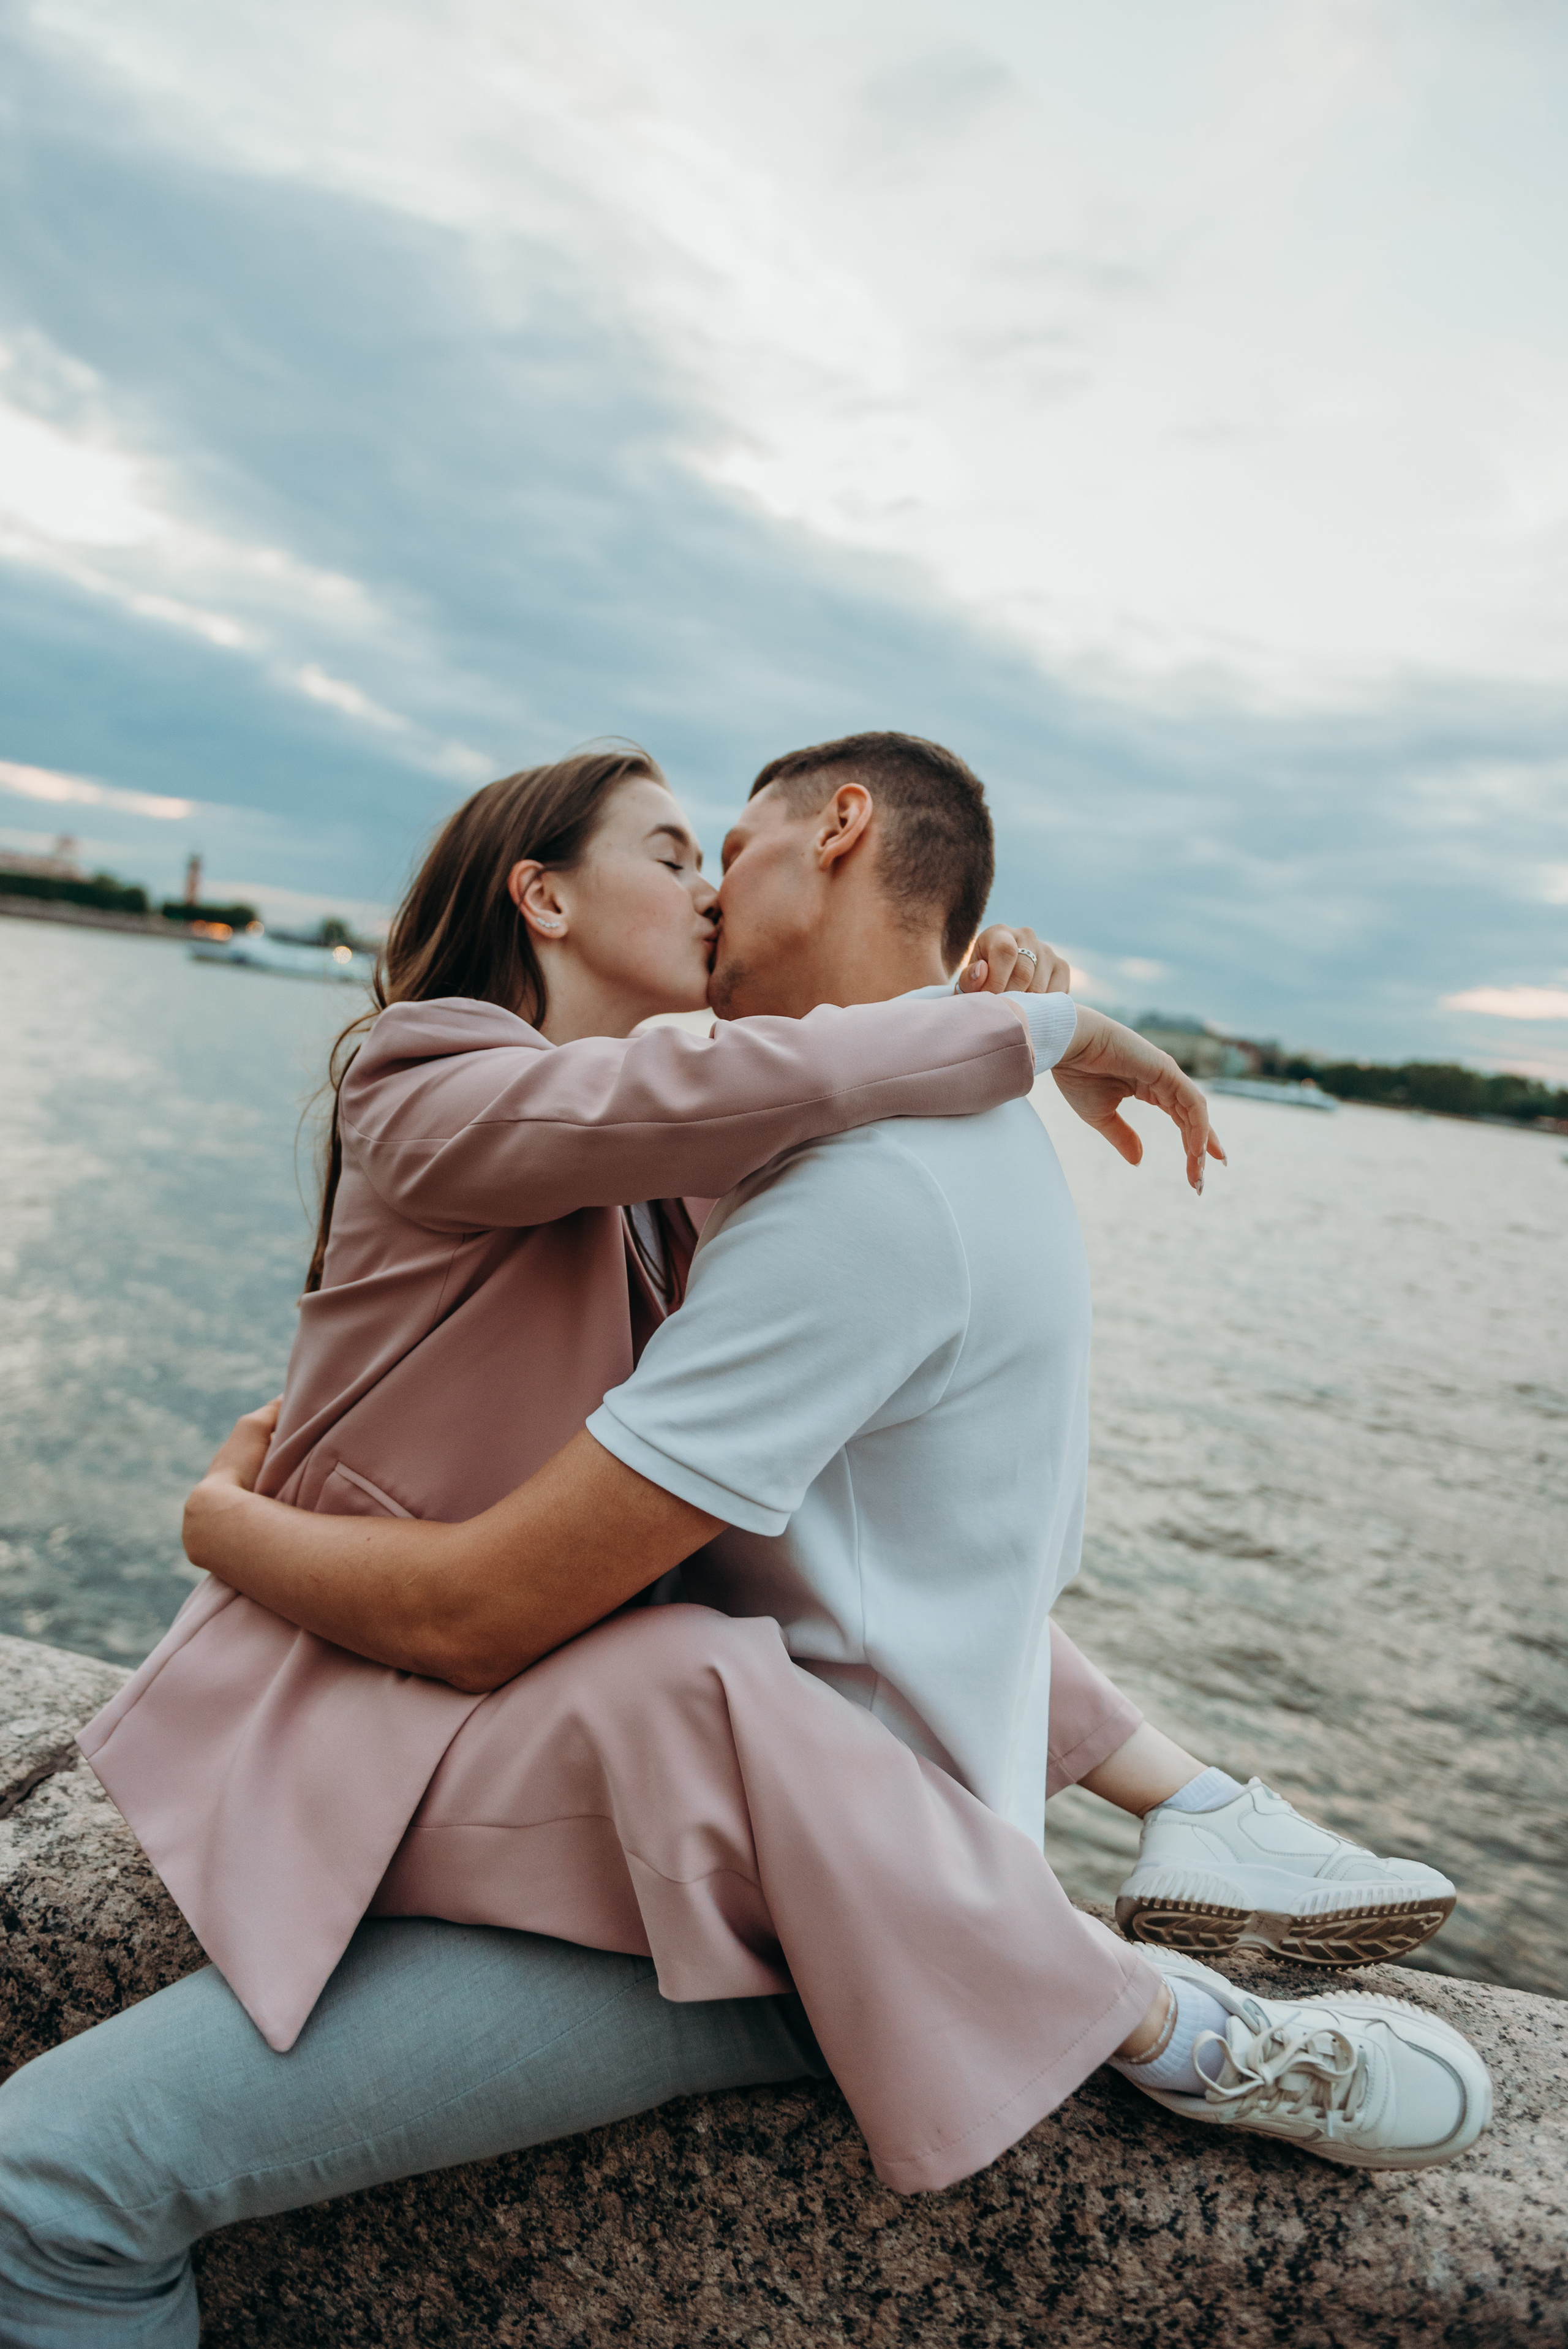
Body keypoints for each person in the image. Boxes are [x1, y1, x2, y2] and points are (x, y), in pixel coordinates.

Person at [0, 738, 1482, 2347]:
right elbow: (712, 1109)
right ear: (544, 894)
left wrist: (976, 1013)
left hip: (722, 1849)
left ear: (836, 832)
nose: (708, 886)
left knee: (687, 1662)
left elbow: (846, 1553)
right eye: (668, 851)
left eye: (722, 846)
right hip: (459, 1753)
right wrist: (1024, 1023)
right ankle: (1145, 2001)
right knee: (681, 1669)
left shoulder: (716, 1195)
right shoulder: (426, 1074)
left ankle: (1181, 1891)